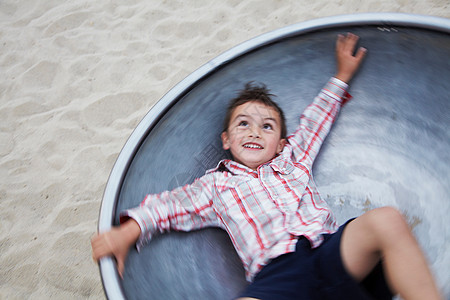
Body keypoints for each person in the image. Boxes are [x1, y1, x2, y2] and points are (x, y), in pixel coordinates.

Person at [91, 33, 442, 300]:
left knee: (387, 219)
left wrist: (341, 76)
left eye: (267, 126)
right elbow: (168, 208)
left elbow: (317, 120)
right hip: (280, 274)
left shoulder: (294, 159)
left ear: (282, 143)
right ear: (226, 139)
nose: (255, 131)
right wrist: (126, 232)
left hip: (331, 254)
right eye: (243, 124)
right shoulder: (216, 186)